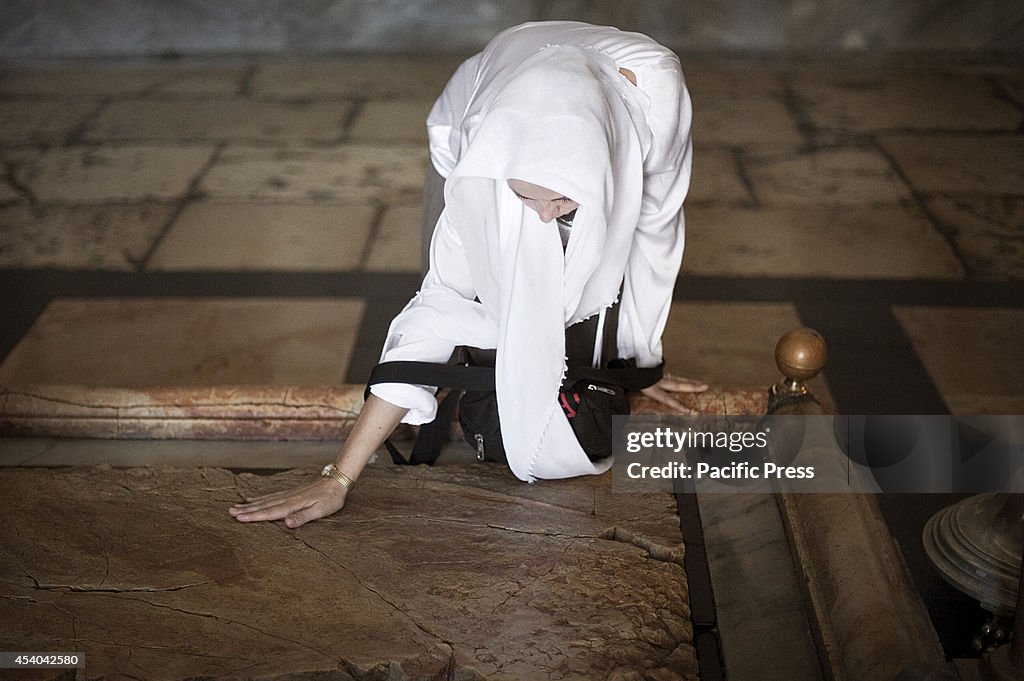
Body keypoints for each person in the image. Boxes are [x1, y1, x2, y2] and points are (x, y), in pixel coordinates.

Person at [230, 21, 707, 528]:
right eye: (528, 197)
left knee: (580, 274)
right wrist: (339, 476)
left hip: (601, 129)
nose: (547, 217)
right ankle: (487, 358)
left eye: (563, 200)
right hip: (469, 116)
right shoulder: (480, 162)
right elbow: (436, 309)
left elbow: (655, 234)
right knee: (476, 288)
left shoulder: (659, 104)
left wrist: (639, 360)